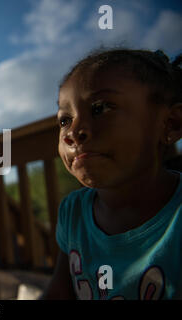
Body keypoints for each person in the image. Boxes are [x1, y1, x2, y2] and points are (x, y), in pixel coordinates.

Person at [42, 49, 182, 300]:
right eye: (64, 120)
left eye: (101, 108)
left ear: (170, 124)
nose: (73, 132)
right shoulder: (73, 212)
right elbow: (59, 293)